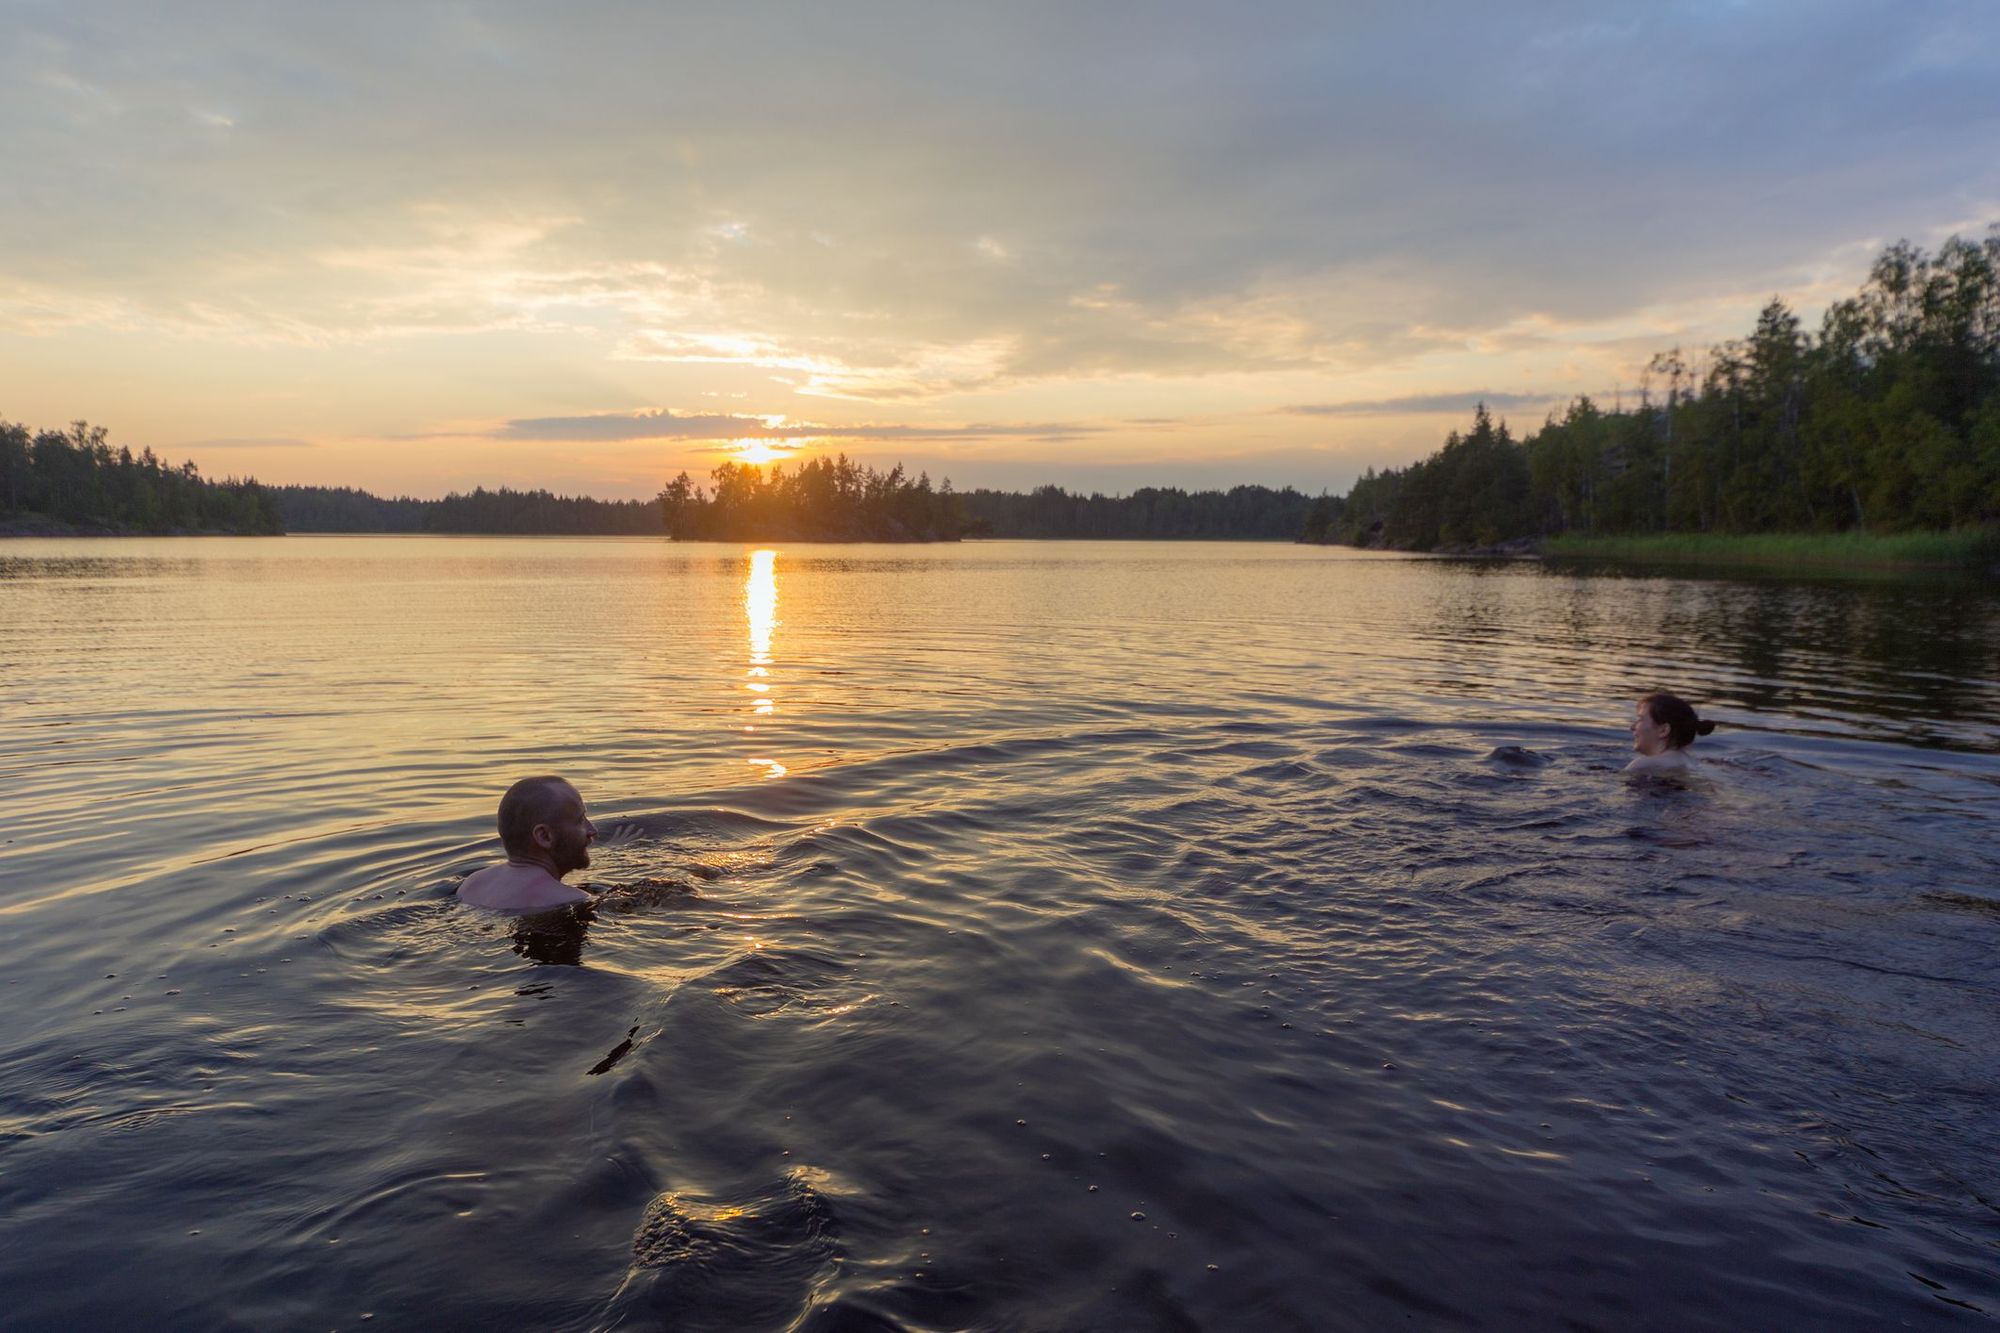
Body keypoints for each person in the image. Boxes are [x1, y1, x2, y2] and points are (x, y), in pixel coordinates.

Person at [458, 775, 599, 912]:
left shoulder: (472, 883)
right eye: (580, 820)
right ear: (544, 836)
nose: (592, 830)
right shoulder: (570, 899)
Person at [1625, 692, 1716, 774]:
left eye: (1640, 719)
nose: (1632, 727)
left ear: (1663, 730)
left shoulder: (1643, 764)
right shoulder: (1694, 762)